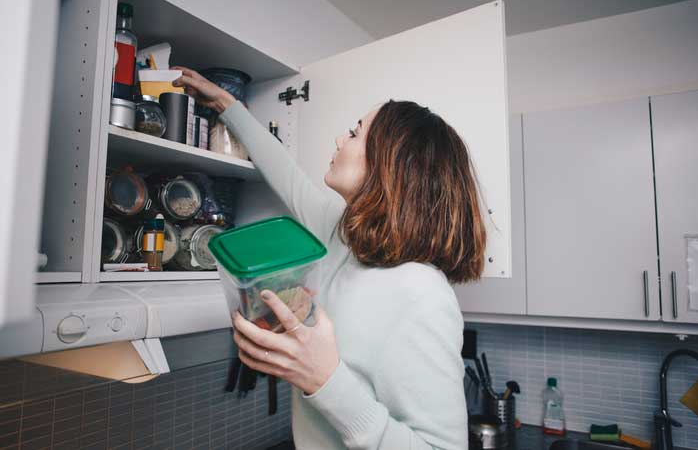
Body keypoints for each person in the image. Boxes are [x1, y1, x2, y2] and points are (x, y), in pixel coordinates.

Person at [173, 67, 487, 450]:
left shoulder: (422, 292)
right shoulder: (342, 235)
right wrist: (228, 106)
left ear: (391, 165)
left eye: (355, 133)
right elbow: (288, 175)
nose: (340, 139)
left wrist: (324, 380)